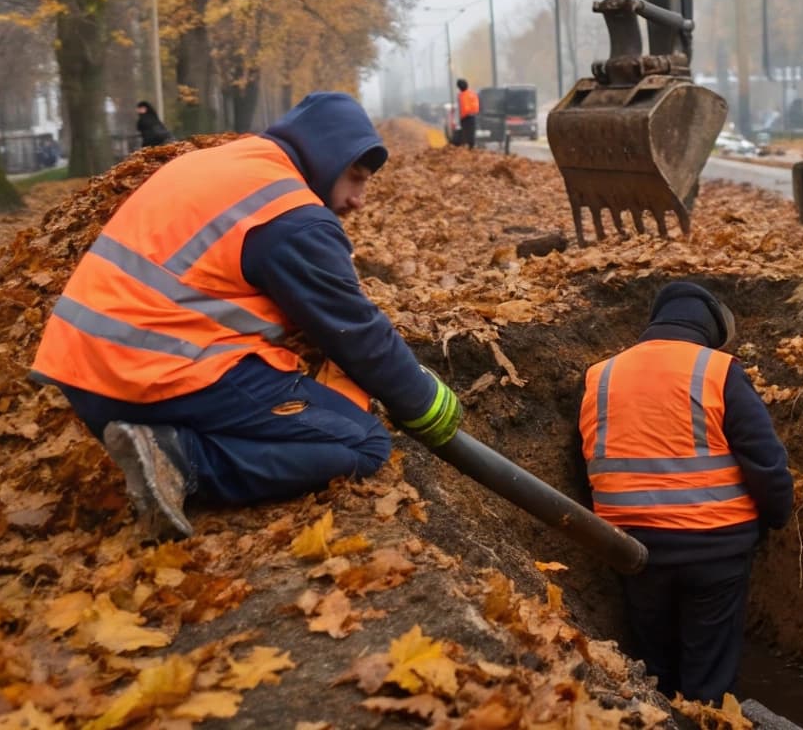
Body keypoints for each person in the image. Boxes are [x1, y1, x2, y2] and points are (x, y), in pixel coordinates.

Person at [29, 92, 464, 540]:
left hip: (84, 376)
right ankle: (181, 459)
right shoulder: (292, 216)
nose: (358, 200)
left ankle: (154, 441)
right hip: (147, 376)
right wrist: (421, 401)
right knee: (363, 443)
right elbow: (353, 330)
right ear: (328, 155)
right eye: (356, 178)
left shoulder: (221, 165)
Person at [579, 281, 792, 704]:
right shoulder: (718, 369)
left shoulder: (600, 375)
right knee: (709, 677)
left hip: (631, 549)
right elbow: (765, 462)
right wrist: (775, 517)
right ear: (711, 330)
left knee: (651, 670)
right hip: (716, 547)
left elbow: (588, 455)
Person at [454, 79, 480, 148]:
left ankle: (468, 146)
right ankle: (471, 146)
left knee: (465, 132)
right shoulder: (472, 93)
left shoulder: (461, 95)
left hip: (464, 117)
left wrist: (458, 119)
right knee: (471, 132)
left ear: (459, 87)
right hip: (472, 115)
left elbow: (459, 108)